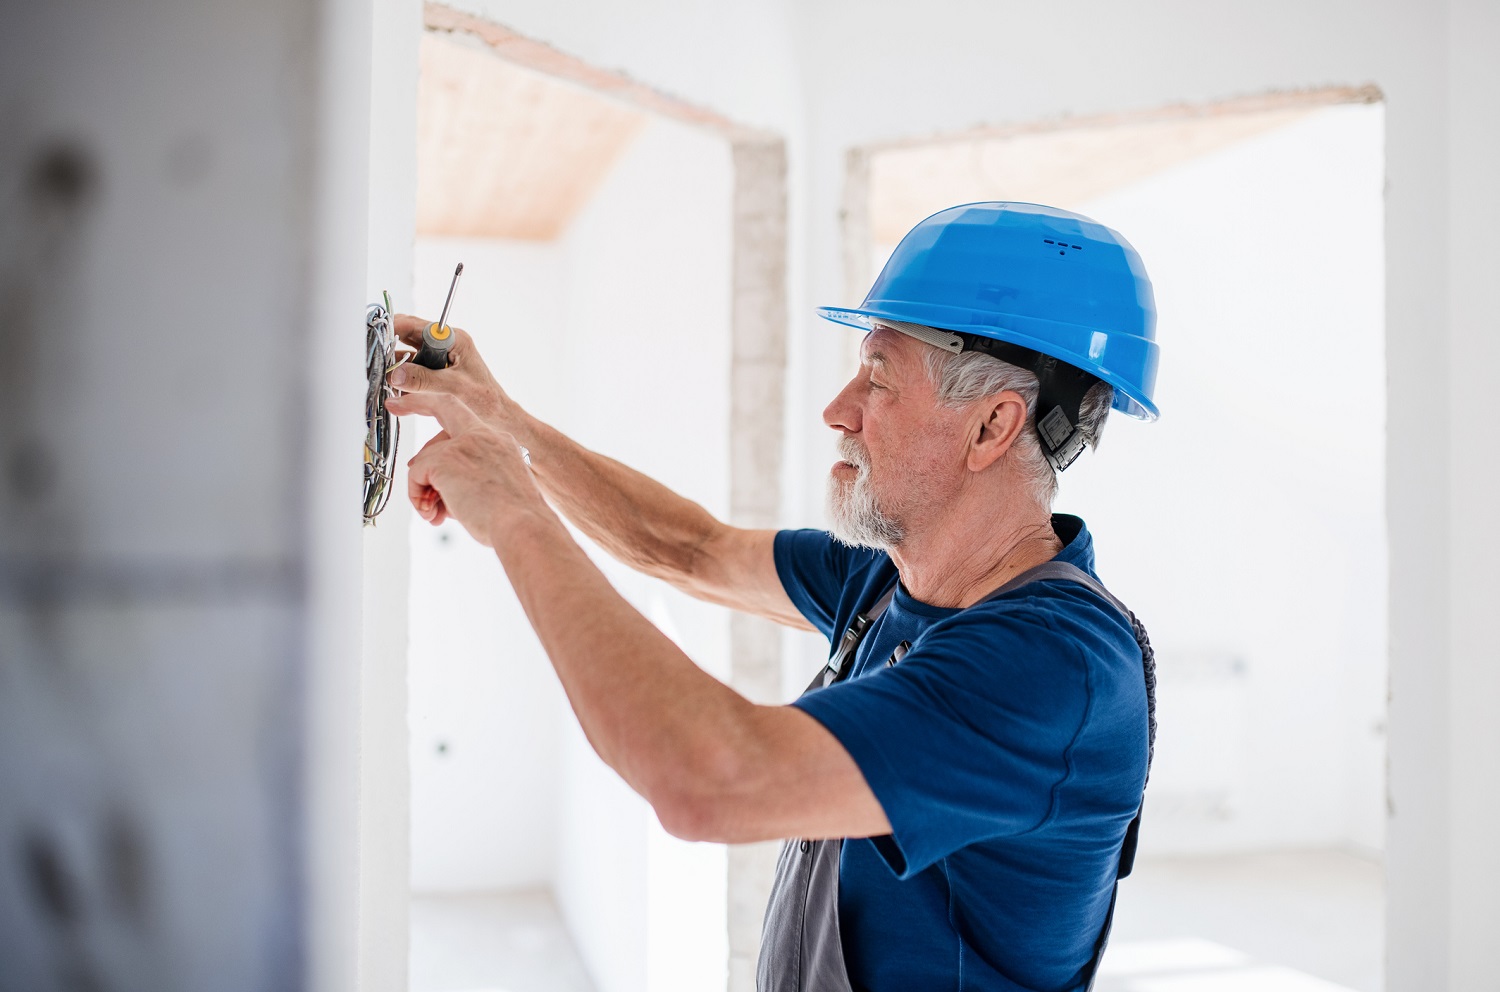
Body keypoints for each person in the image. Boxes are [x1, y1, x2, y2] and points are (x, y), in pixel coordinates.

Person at [386, 201, 1160, 992]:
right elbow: (686, 547)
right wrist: (503, 420)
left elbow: (707, 779)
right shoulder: (892, 581)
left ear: (992, 427)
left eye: (879, 377)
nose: (839, 410)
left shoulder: (1053, 668)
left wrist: (514, 512)